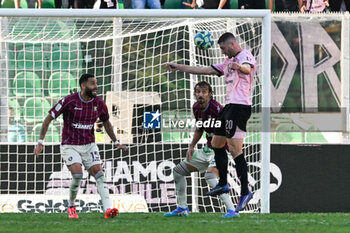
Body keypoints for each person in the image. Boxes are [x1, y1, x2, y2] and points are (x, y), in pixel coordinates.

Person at [166, 32, 256, 212]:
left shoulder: (244, 55)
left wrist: (238, 66)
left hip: (240, 107)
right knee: (216, 143)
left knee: (235, 150)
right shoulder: (225, 63)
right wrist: (178, 67)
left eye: (223, 48)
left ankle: (245, 191)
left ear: (231, 44)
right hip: (229, 107)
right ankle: (223, 183)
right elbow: (204, 70)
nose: (222, 52)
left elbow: (247, 68)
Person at [34, 73, 128, 219]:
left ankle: (108, 210)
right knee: (78, 175)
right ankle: (71, 206)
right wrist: (40, 142)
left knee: (100, 175)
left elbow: (106, 123)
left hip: (89, 144)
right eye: (92, 83)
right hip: (70, 145)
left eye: (96, 83)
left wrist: (115, 142)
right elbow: (48, 119)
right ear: (83, 85)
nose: (96, 87)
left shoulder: (99, 103)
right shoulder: (69, 101)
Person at [164, 81, 239, 218]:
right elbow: (199, 129)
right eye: (198, 92)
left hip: (220, 149)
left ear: (210, 94)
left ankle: (232, 210)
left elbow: (229, 128)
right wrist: (191, 146)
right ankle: (182, 207)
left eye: (204, 92)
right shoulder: (196, 107)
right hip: (207, 149)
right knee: (178, 172)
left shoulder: (217, 109)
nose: (201, 95)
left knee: (210, 176)